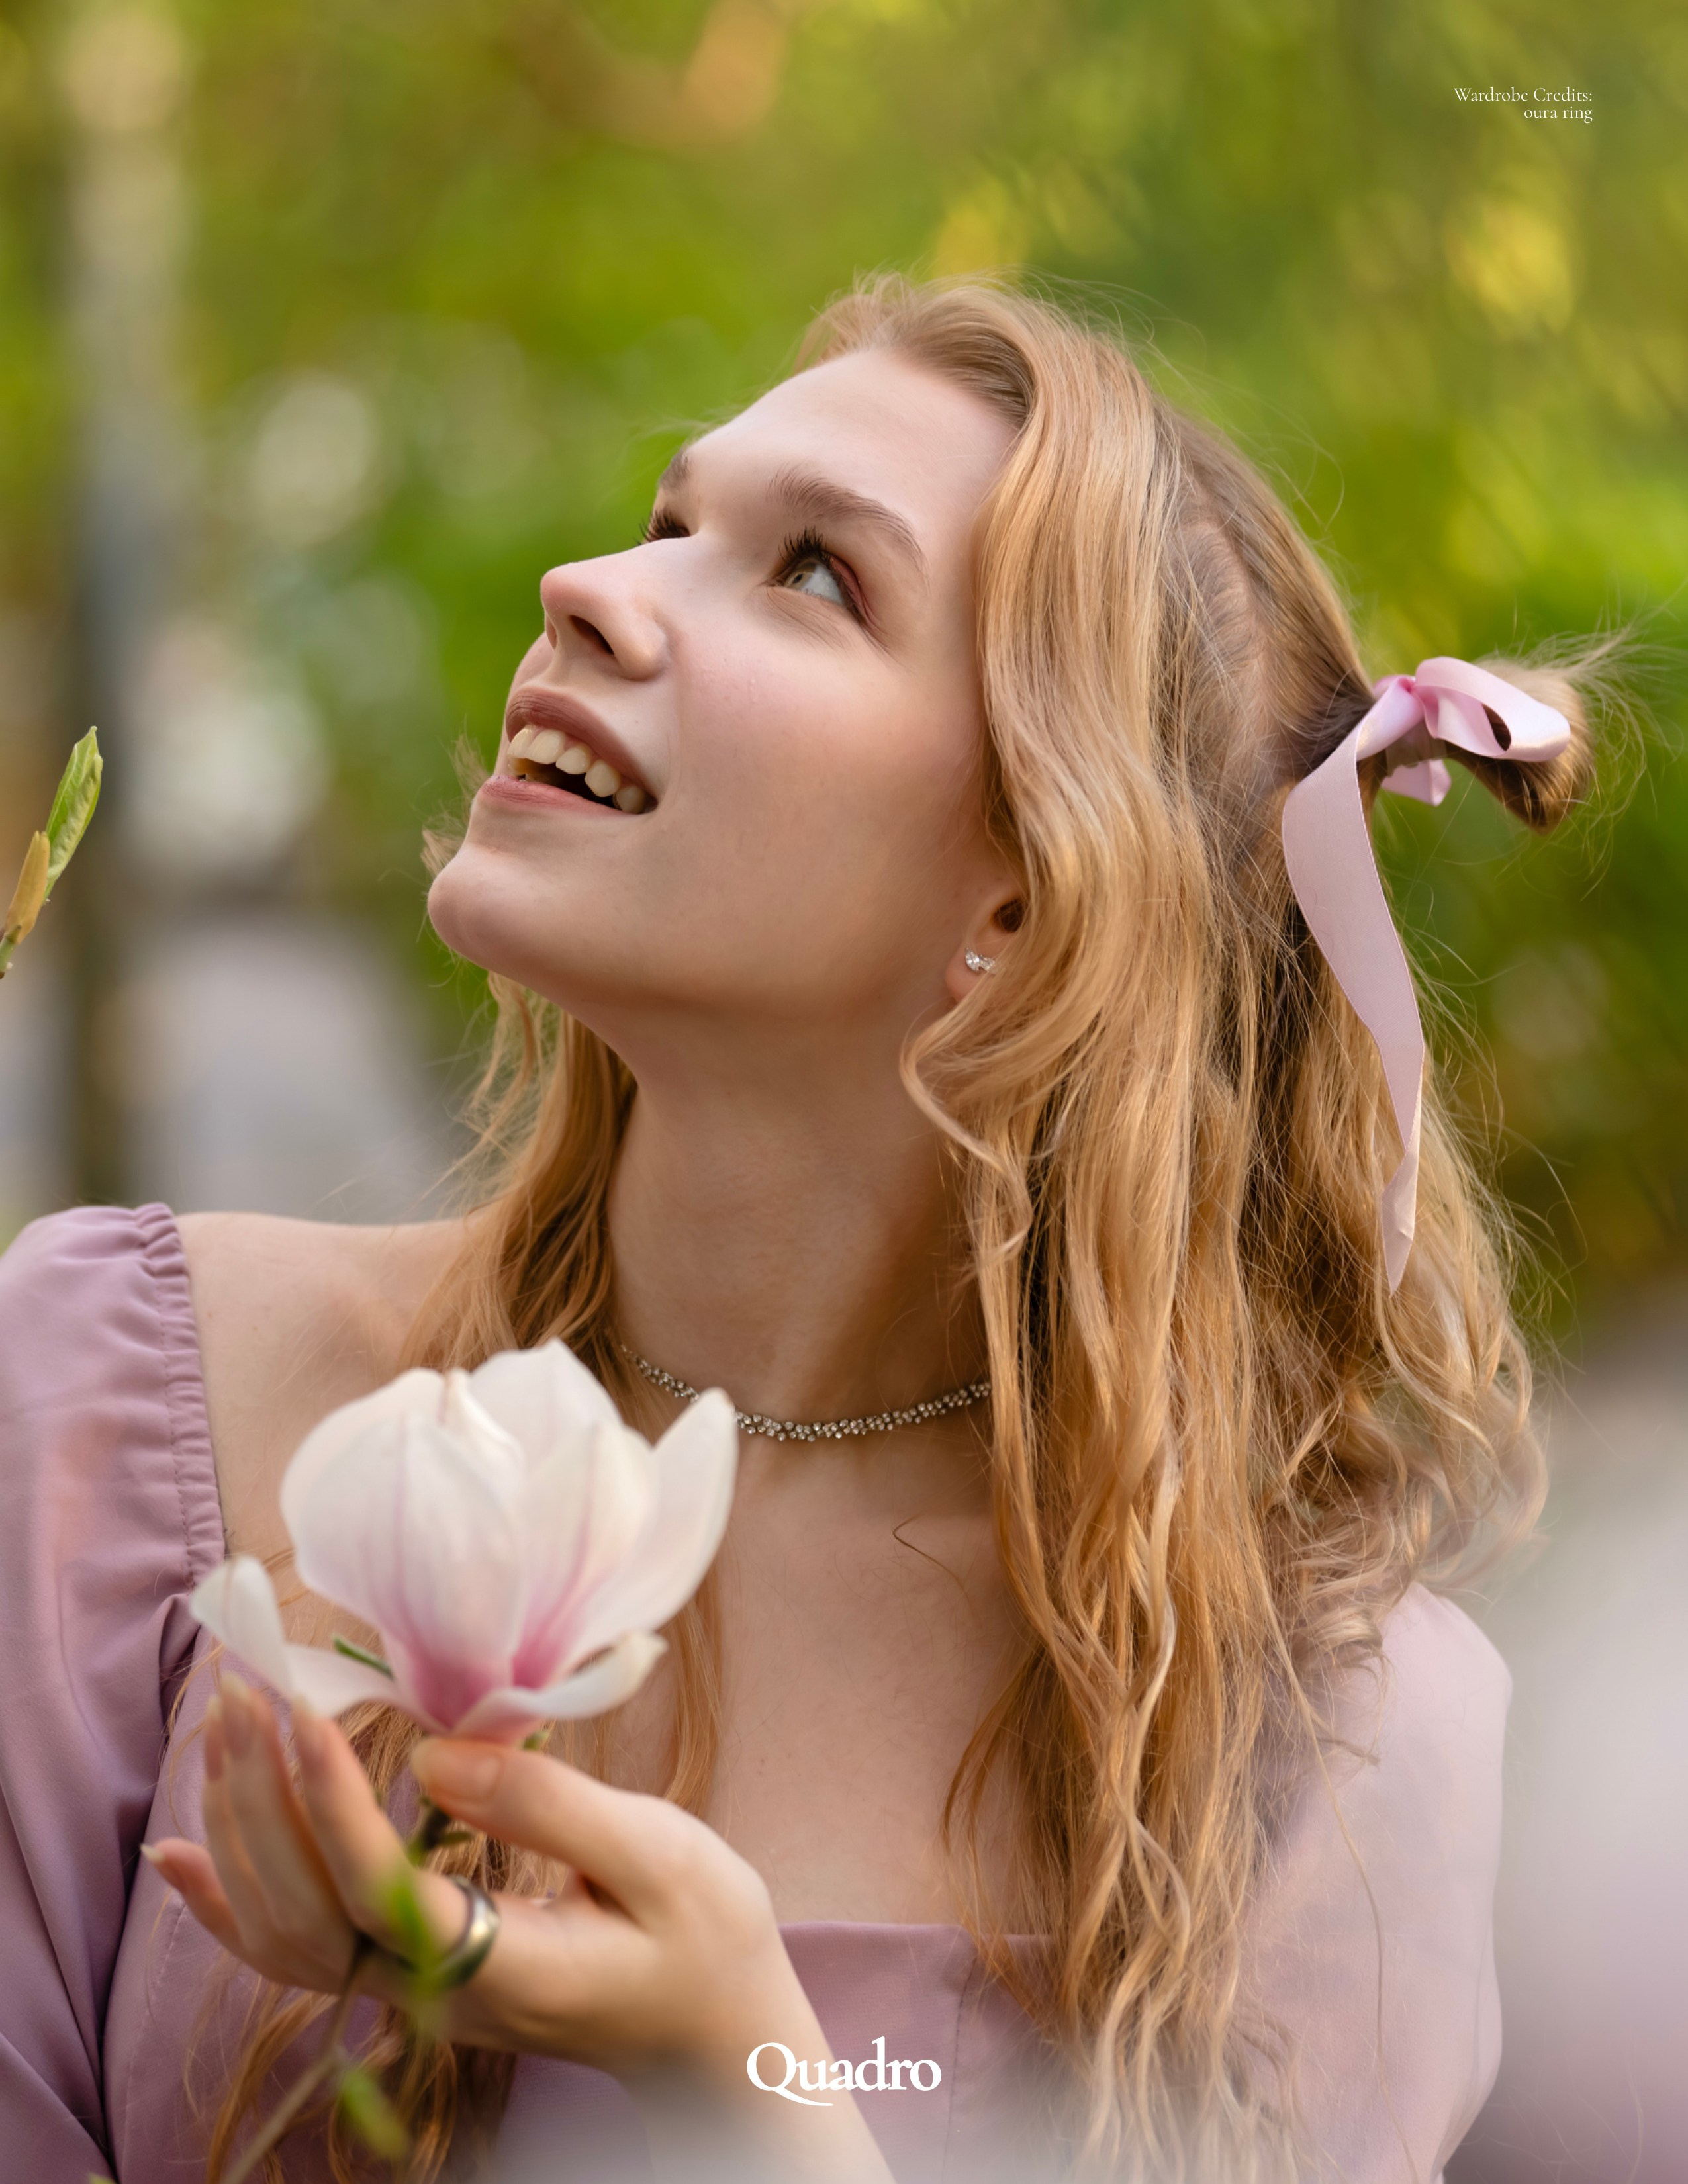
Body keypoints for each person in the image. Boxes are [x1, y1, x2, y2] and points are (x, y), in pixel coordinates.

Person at [0, 275, 1603, 2184]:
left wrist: (733, 2075)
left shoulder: (1337, 1757)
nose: (593, 584)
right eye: (676, 520)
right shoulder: (109, 1396)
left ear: (1030, 897)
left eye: (815, 575)